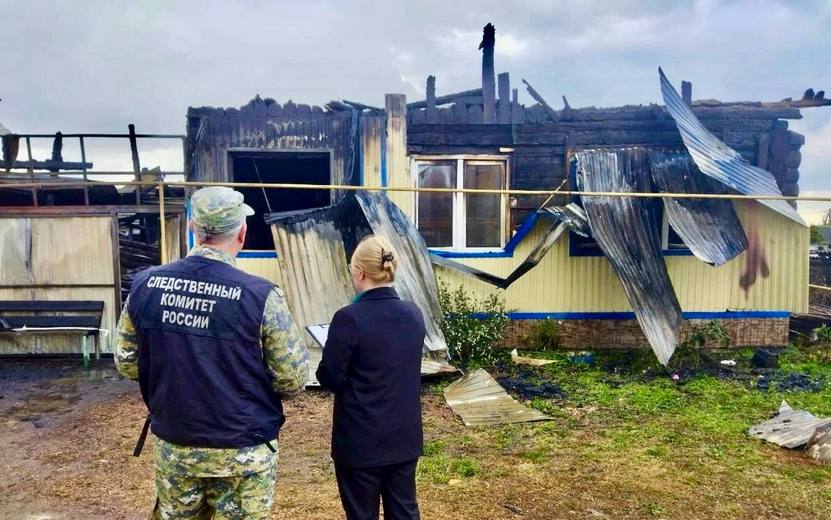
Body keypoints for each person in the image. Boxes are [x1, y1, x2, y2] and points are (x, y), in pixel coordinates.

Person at [115, 186, 309, 519]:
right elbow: (292, 379)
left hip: (176, 446)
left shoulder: (146, 285)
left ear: (193, 227)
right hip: (243, 451)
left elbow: (127, 363)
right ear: (242, 232)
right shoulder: (259, 296)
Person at [316, 235, 425, 520]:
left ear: (360, 272)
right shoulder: (414, 314)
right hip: (404, 438)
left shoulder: (349, 318)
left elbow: (330, 377)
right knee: (404, 512)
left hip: (360, 441)